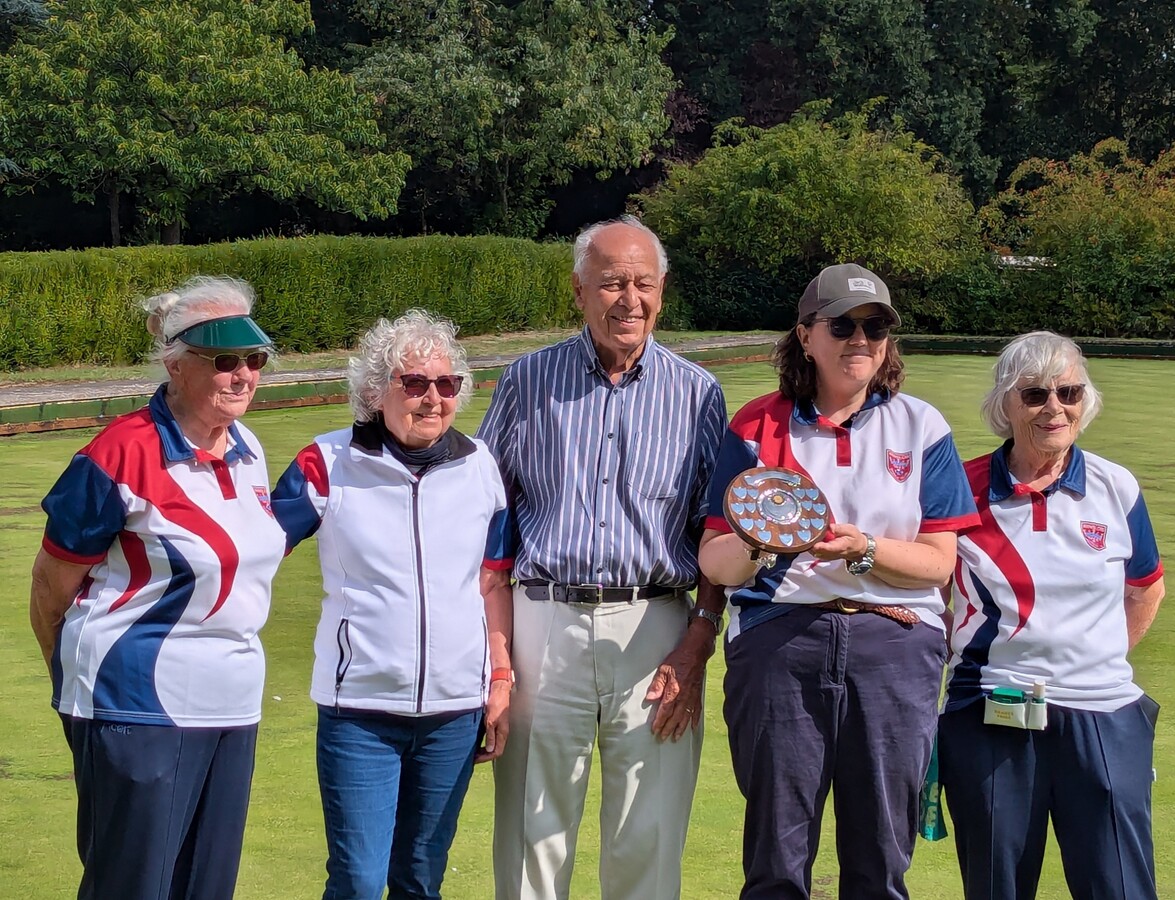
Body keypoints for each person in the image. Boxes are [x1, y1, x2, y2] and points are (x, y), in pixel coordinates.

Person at [698, 263, 980, 899]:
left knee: (881, 855)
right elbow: (715, 561)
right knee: (775, 853)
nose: (861, 340)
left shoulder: (920, 425)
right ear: (805, 335)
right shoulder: (757, 425)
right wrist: (761, 542)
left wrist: (864, 551)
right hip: (779, 639)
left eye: (875, 327)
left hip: (895, 639)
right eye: (843, 325)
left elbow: (940, 563)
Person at [477, 216, 728, 900]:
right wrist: (492, 654)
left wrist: (699, 642)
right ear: (579, 290)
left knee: (646, 834)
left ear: (662, 290)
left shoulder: (698, 393)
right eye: (612, 282)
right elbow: (483, 512)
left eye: (643, 283)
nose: (630, 299)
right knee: (532, 832)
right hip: (543, 622)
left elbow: (718, 532)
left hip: (657, 628)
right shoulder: (527, 382)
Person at [29, 276, 284, 900]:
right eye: (224, 362)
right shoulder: (119, 452)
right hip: (136, 702)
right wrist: (76, 681)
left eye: (253, 360)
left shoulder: (249, 446)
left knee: (206, 884)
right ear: (177, 364)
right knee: (133, 884)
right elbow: (50, 588)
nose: (243, 376)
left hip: (232, 702)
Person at [270, 310, 511, 900]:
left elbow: (491, 582)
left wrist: (500, 677)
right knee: (357, 881)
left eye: (446, 385)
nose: (433, 399)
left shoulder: (480, 465)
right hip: (360, 710)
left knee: (420, 880)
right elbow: (252, 549)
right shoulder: (325, 463)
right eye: (415, 384)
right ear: (376, 392)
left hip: (454, 711)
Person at [938, 331, 1166, 900]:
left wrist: (1088, 658)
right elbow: (931, 594)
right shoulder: (961, 488)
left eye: (1069, 391)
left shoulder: (1116, 486)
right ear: (1005, 404)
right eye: (1035, 393)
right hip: (991, 710)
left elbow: (1145, 589)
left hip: (1105, 714)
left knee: (1120, 886)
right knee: (998, 887)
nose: (1054, 407)